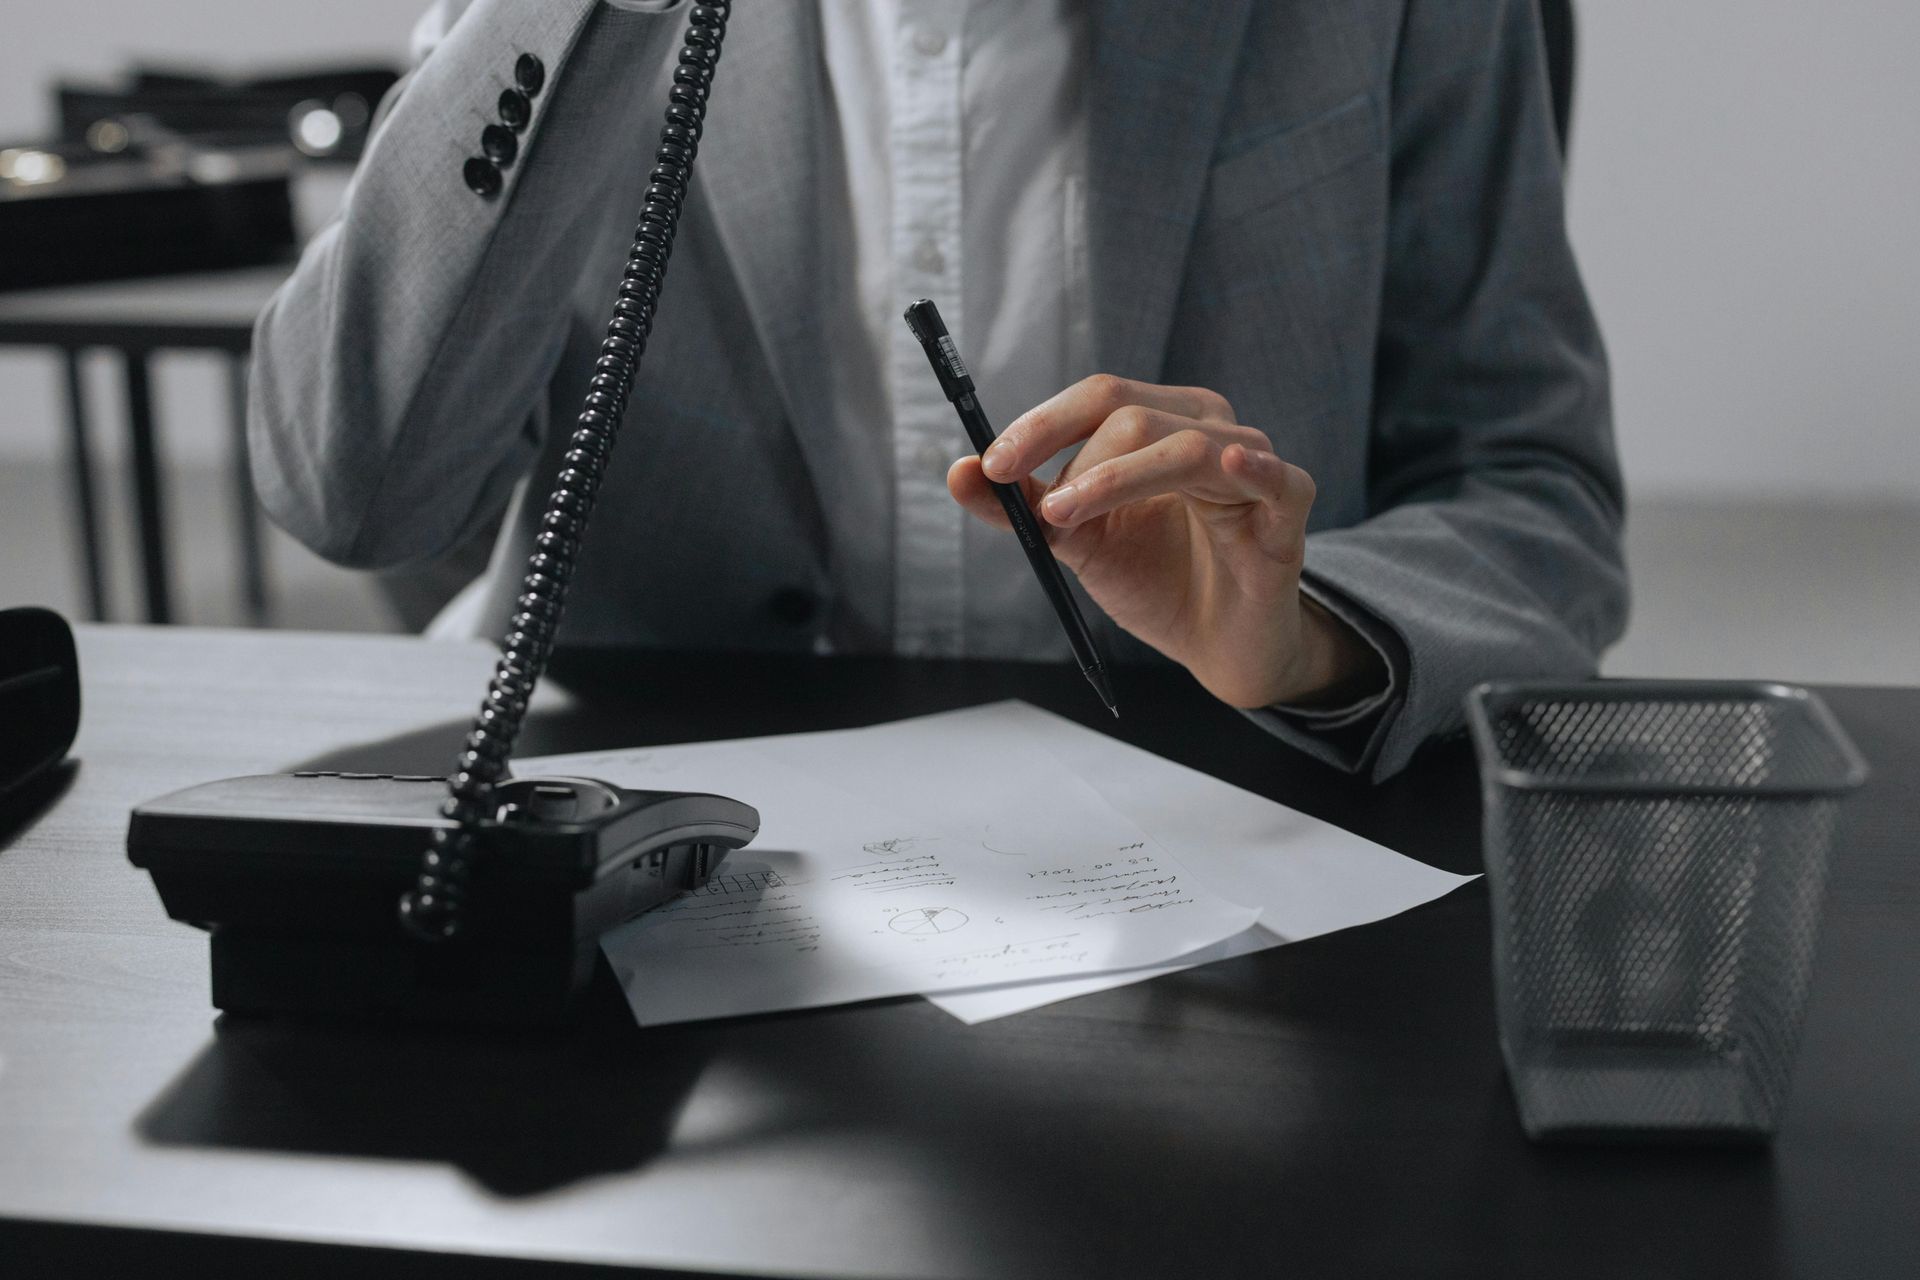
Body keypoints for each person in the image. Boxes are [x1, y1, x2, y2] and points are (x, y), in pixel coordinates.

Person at [250, 0, 1627, 780]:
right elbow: (352, 492)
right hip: (655, 838)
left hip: (1212, 835)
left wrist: (1308, 640)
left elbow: (1535, 494)